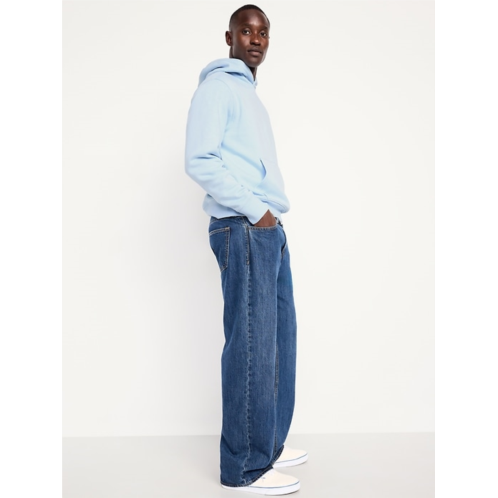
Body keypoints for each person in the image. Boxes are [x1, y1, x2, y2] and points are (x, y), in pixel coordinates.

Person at [185, 5, 307, 495]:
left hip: (265, 227)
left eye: (263, 33)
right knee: (252, 344)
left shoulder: (248, 94)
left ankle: (268, 445)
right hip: (244, 225)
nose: (256, 39)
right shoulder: (218, 88)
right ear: (229, 37)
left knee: (279, 341)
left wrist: (268, 217)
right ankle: (245, 467)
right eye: (246, 31)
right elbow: (200, 159)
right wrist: (257, 212)